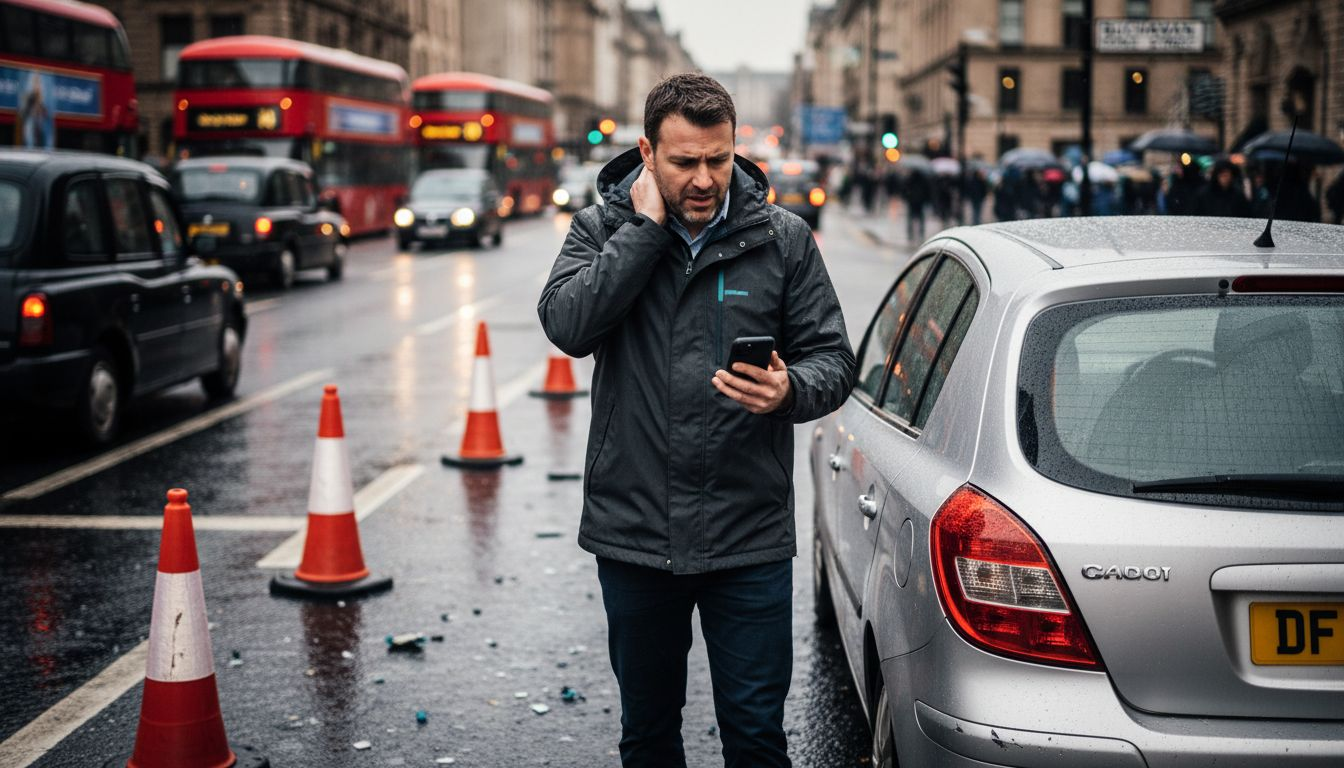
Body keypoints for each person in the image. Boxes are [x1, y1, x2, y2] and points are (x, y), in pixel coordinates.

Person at [538, 73, 856, 768]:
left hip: (748, 537)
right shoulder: (601, 229)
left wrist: (789, 390)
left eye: (719, 159)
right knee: (648, 735)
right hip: (636, 535)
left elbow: (834, 360)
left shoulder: (782, 240)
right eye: (685, 162)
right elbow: (567, 326)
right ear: (647, 154)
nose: (706, 179)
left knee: (756, 738)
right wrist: (644, 232)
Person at [903, 168, 931, 241]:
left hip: (912, 201)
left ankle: (910, 232)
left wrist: (907, 197)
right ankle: (921, 232)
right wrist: (926, 200)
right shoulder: (924, 179)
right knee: (920, 217)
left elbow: (904, 189)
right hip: (920, 201)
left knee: (911, 217)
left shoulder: (909, 179)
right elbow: (927, 190)